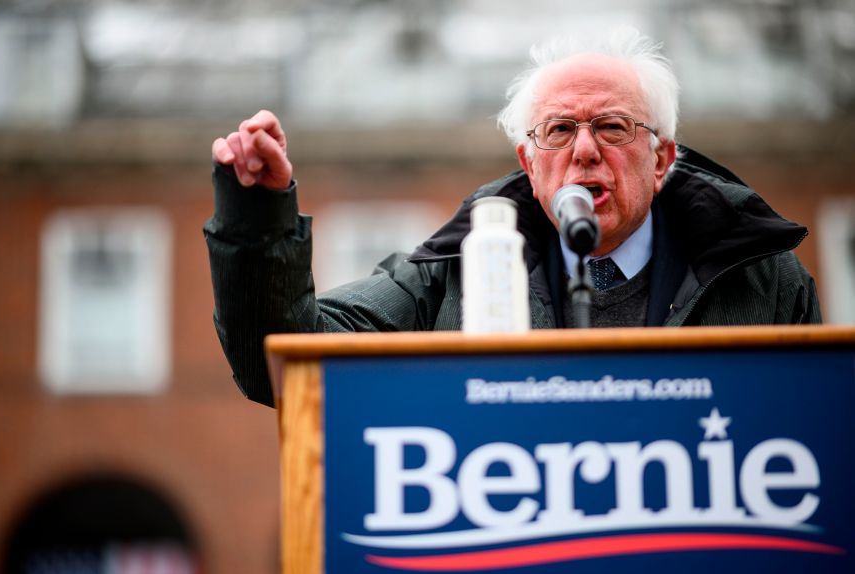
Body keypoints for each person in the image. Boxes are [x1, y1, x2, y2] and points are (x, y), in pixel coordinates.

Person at [204, 28, 821, 407]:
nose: (584, 150)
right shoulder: (449, 274)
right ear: (529, 164)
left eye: (612, 127)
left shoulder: (765, 281)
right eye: (559, 130)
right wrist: (258, 215)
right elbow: (280, 362)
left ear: (661, 159)